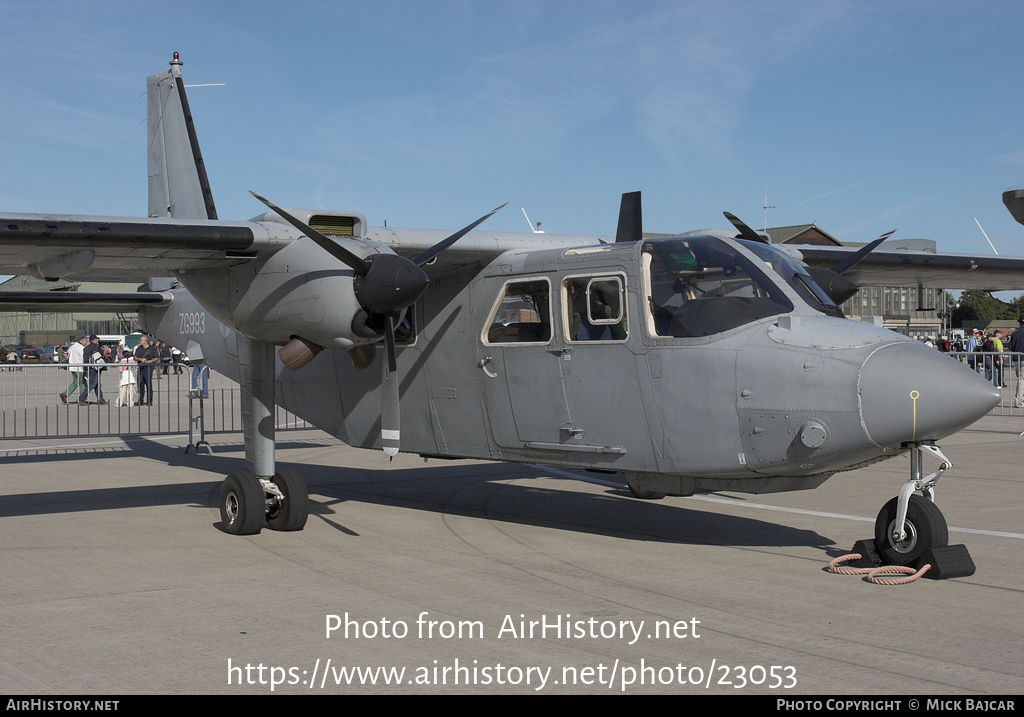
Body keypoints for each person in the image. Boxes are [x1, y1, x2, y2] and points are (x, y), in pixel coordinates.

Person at [60, 335, 89, 404]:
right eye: (85, 340)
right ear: (82, 340)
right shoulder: (82, 348)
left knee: (75, 382)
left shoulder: (72, 347)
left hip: (72, 367)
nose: (86, 342)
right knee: (83, 384)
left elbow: (67, 354)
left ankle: (65, 394)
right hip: (80, 368)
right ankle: (82, 399)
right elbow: (83, 358)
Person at [133, 335, 160, 406]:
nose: (140, 341)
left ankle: (149, 401)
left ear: (145, 341)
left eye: (141, 340)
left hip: (148, 368)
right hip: (141, 367)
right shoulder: (139, 348)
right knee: (140, 384)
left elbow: (157, 357)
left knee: (148, 385)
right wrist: (140, 359)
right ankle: (140, 400)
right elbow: (135, 357)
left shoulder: (152, 348)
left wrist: (151, 361)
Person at [82, 334, 108, 405]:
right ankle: (81, 398)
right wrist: (105, 351)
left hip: (88, 367)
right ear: (95, 340)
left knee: (97, 384)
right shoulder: (97, 347)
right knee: (92, 384)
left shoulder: (86, 348)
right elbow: (101, 357)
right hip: (95, 368)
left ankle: (101, 400)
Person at [1010, 317, 1024, 409]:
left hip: (1017, 358)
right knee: (1022, 380)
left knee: (1020, 378)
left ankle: (1019, 400)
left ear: (1019, 324)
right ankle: (1019, 400)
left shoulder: (1015, 333)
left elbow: (1011, 347)